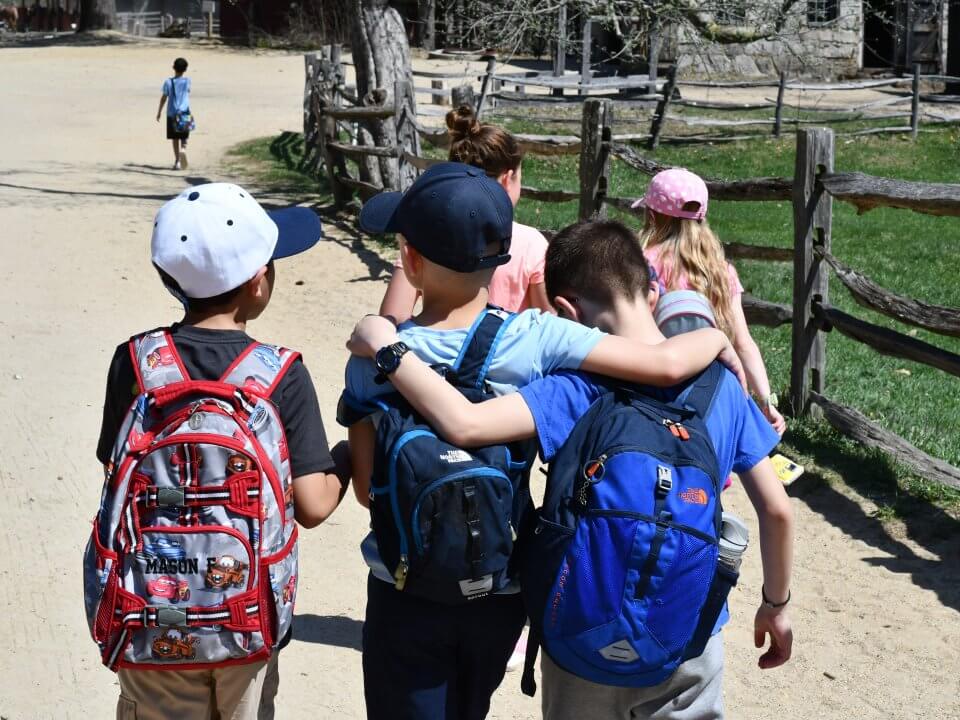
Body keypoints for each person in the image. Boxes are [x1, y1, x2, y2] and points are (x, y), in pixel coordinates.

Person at [337, 162, 748, 720]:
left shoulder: (371, 363)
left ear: (409, 260)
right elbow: (664, 363)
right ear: (503, 256)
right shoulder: (537, 338)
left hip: (402, 588)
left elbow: (366, 490)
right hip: (500, 588)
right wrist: (720, 332)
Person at [95, 183, 350, 720]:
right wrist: (347, 456)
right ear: (259, 282)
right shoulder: (280, 375)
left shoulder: (136, 364)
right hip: (246, 618)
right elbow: (314, 505)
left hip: (150, 615)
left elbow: (116, 475)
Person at [637, 168, 787, 435]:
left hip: (650, 388)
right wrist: (766, 401)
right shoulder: (719, 271)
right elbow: (743, 342)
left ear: (651, 214)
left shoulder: (638, 263)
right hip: (709, 394)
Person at [378, 106, 552, 323]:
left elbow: (391, 317)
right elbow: (549, 322)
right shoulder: (531, 244)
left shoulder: (424, 237)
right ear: (508, 179)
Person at [156, 57, 192, 171]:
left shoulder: (168, 82)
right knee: (184, 135)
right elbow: (188, 91)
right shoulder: (187, 81)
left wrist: (159, 111)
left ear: (173, 68)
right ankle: (184, 150)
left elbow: (164, 98)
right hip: (185, 111)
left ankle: (177, 161)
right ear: (185, 69)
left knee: (175, 138)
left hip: (172, 113)